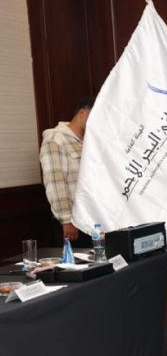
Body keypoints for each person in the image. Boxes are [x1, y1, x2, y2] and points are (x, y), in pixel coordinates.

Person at [39, 96, 93, 247]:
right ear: (82, 113)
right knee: (76, 261)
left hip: (92, 220)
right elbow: (55, 182)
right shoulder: (55, 139)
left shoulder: (88, 141)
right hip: (73, 223)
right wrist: (67, 220)